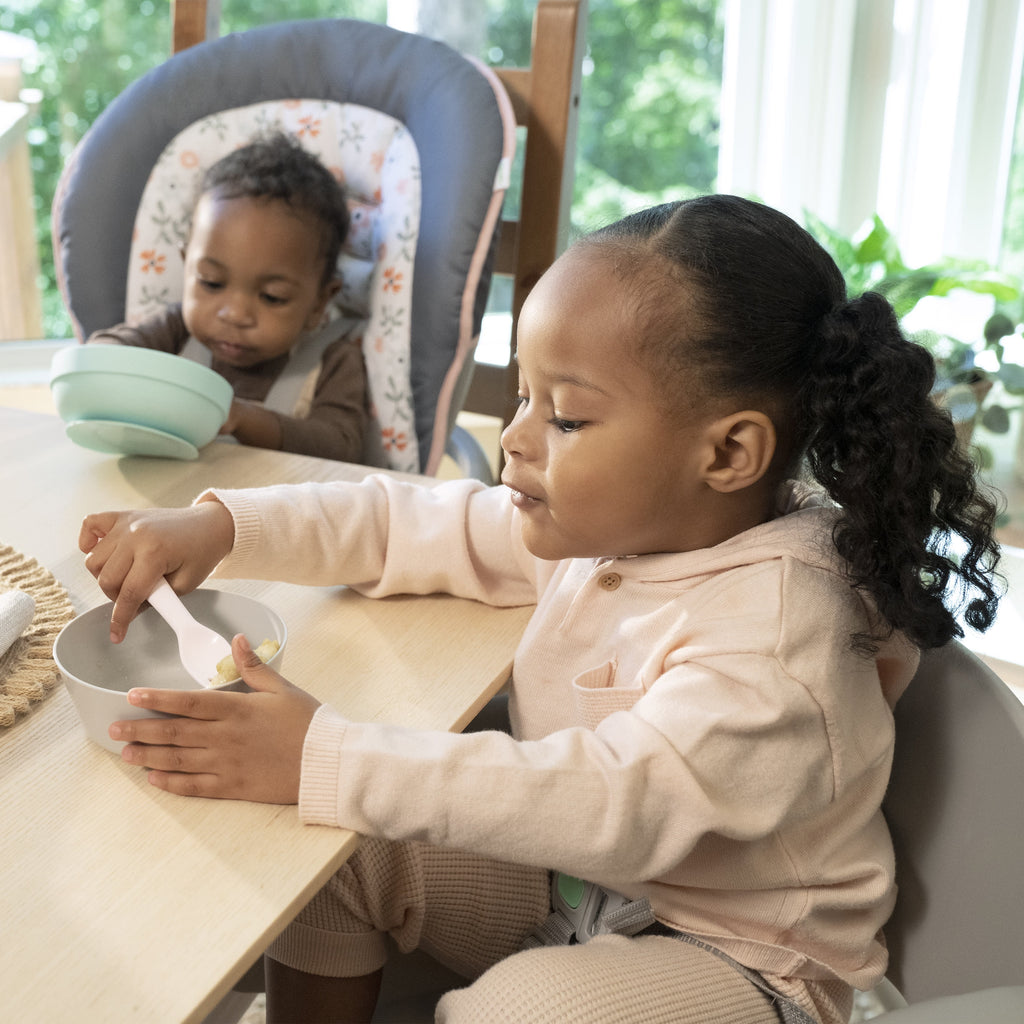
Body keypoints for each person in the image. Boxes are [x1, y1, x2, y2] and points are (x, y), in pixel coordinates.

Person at [79, 195, 1002, 1024]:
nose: (513, 438)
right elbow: (407, 519)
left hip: (737, 961)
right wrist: (222, 527)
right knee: (333, 854)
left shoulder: (776, 634)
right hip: (581, 888)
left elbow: (611, 801)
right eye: (523, 395)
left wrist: (324, 752)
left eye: (565, 418)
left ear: (727, 455)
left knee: (513, 1012)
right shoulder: (622, 522)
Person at [87, 131, 368, 462]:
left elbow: (341, 447)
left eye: (272, 297)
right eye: (211, 282)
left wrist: (241, 418)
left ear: (320, 301)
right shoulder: (175, 332)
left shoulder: (333, 361)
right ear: (186, 267)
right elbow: (101, 354)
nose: (234, 314)